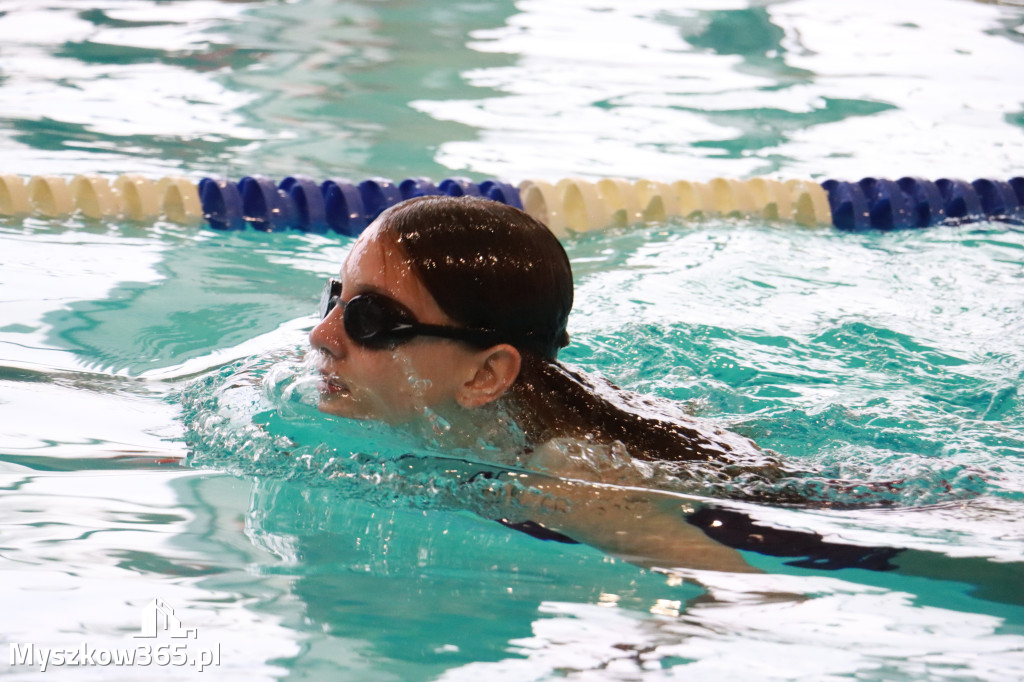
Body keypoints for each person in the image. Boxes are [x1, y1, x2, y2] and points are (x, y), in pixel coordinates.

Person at [306, 195, 844, 574]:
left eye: (369, 318)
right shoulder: (496, 429)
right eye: (336, 299)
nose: (321, 335)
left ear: (486, 375)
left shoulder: (570, 481)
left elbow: (746, 598)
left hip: (861, 534)